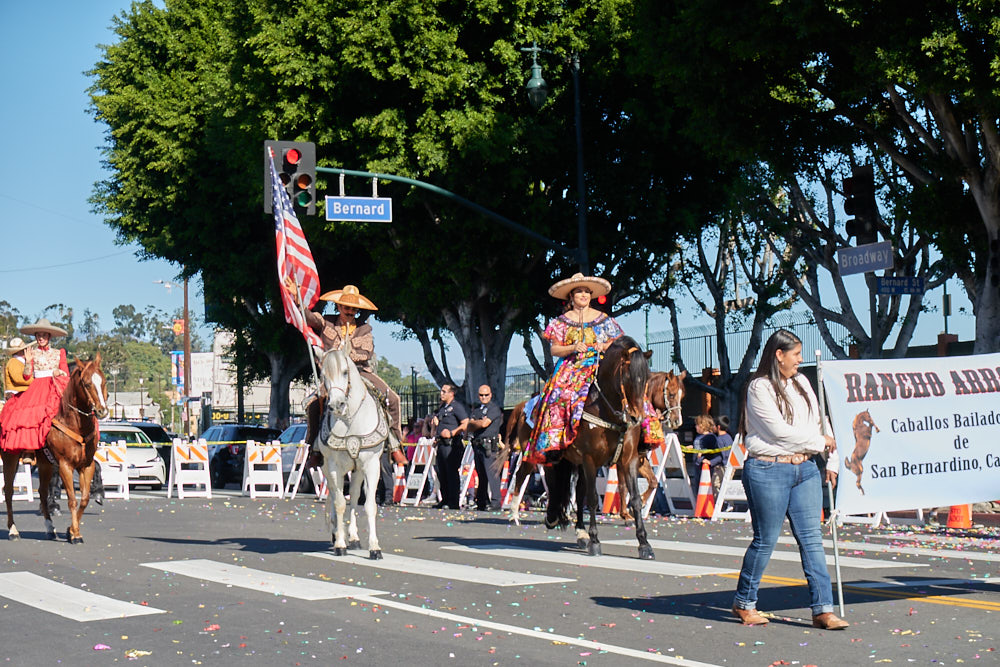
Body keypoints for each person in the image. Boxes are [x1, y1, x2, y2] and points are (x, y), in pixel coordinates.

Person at [732, 328, 847, 630]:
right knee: (766, 539)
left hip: (805, 469)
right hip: (768, 469)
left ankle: (823, 610)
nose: (800, 360)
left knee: (812, 540)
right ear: (779, 355)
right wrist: (820, 442)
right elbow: (778, 432)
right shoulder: (759, 387)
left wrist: (831, 457)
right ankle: (744, 602)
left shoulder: (802, 382)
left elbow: (820, 421)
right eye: (795, 354)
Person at [525, 273, 662, 465]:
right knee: (558, 396)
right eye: (579, 291)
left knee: (633, 389)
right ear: (571, 296)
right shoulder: (560, 322)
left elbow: (618, 343)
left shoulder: (604, 319)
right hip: (573, 367)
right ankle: (555, 444)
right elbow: (554, 349)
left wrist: (604, 346)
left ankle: (645, 436)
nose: (584, 295)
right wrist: (573, 347)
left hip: (601, 364)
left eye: (587, 292)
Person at [300, 284, 407, 466]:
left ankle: (395, 445)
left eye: (353, 308)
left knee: (393, 399)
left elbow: (366, 353)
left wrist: (346, 355)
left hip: (360, 371)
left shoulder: (365, 329)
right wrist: (298, 302)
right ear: (339, 306)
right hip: (335, 374)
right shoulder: (326, 322)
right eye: (346, 307)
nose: (350, 312)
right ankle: (315, 448)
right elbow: (309, 318)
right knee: (313, 404)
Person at [0, 319, 70, 460]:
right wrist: (28, 362)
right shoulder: (32, 353)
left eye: (44, 335)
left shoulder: (58, 353)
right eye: (38, 335)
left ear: (49, 336)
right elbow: (27, 376)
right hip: (37, 387)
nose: (41, 338)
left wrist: (58, 372)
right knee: (27, 414)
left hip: (54, 385)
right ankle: (29, 450)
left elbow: (66, 374)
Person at [430, 384, 468, 509]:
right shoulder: (442, 407)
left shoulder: (456, 407)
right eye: (441, 391)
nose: (441, 394)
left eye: (444, 391)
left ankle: (453, 501)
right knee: (441, 472)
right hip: (441, 444)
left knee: (451, 472)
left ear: (451, 393)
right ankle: (445, 499)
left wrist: (452, 433)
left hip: (452, 444)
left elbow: (465, 423)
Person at [467, 384, 503, 510]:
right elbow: (470, 425)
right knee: (481, 475)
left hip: (489, 445)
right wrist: (477, 422)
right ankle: (482, 501)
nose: (484, 397)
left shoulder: (494, 409)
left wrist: (475, 422)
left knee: (492, 475)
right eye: (481, 395)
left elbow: (484, 424)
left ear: (490, 395)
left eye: (486, 395)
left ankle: (496, 502)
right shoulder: (477, 410)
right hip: (477, 445)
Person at [690, 414, 721, 497]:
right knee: (697, 485)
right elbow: (698, 446)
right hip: (697, 464)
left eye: (697, 425)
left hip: (705, 465)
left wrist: (703, 452)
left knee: (705, 485)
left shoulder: (710, 437)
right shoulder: (698, 436)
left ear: (703, 426)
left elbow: (712, 450)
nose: (695, 427)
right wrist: (692, 447)